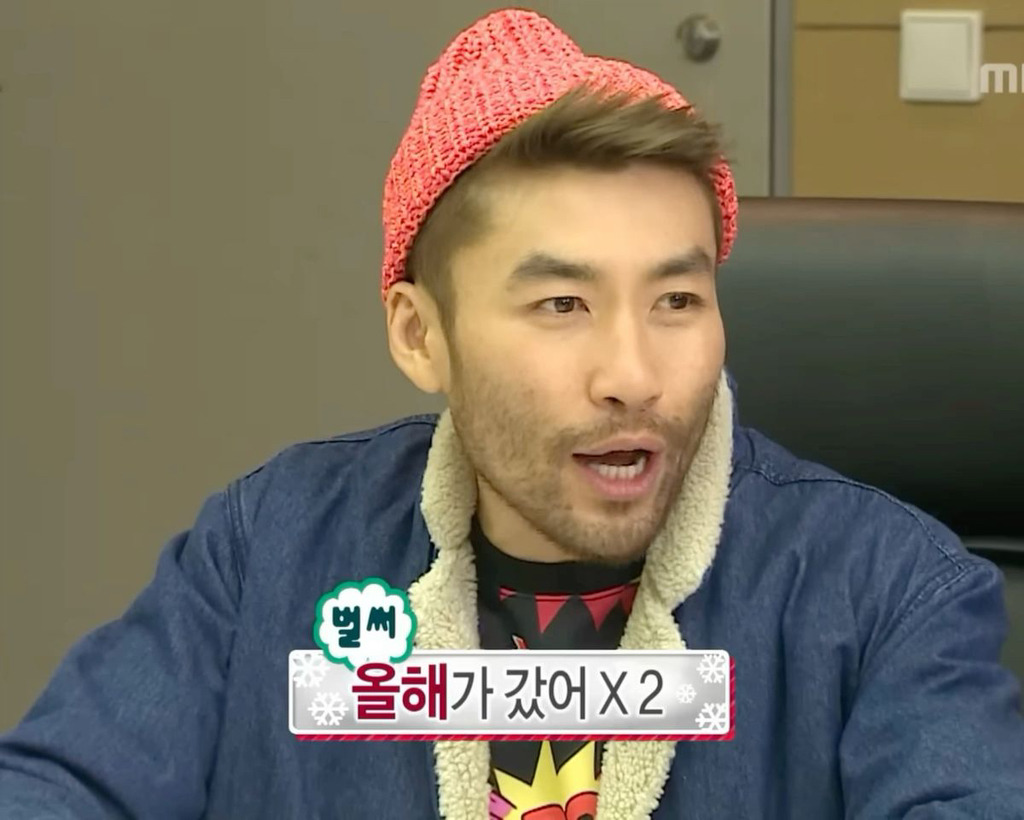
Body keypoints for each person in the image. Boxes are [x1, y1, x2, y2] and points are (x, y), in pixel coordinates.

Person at [2, 7, 1023, 819]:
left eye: (677, 300)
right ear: (419, 335)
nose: (633, 374)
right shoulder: (269, 548)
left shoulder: (888, 592)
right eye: (562, 305)